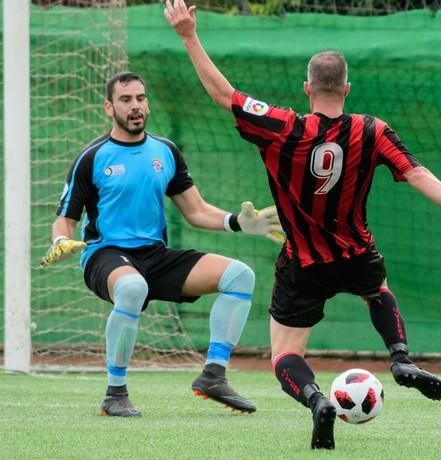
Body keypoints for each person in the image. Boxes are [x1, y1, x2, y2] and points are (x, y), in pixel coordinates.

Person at [165, 0, 441, 449]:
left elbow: (225, 95)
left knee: (285, 354)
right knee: (377, 291)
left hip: (303, 261)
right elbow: (416, 172)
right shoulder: (372, 130)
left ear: (307, 88)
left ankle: (317, 399)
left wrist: (189, 35)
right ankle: (399, 358)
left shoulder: (282, 126)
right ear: (347, 88)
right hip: (357, 252)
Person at [40, 71, 284, 417]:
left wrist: (238, 222)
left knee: (240, 276)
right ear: (109, 108)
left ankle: (213, 376)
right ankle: (115, 394)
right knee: (132, 287)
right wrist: (61, 239)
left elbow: (196, 210)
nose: (135, 106)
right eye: (126, 100)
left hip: (155, 256)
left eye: (141, 98)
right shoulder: (93, 157)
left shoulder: (165, 151)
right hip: (104, 255)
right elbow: (64, 217)